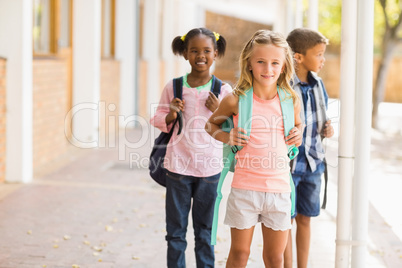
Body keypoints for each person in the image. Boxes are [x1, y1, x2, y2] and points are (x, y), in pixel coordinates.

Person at [205, 29, 302, 268]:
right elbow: (210, 125)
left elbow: (299, 125)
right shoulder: (236, 99)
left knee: (274, 258)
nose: (268, 69)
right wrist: (228, 136)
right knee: (239, 253)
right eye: (261, 62)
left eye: (274, 63)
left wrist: (298, 133)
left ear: (283, 66)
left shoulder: (290, 100)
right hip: (244, 190)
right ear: (249, 63)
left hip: (279, 191)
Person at [150, 27, 232, 268]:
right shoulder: (174, 87)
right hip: (178, 167)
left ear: (215, 53)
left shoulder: (223, 90)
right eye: (194, 50)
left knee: (205, 233)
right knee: (175, 233)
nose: (201, 55)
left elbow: (231, 130)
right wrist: (171, 114)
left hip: (209, 170)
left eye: (206, 50)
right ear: (185, 53)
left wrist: (219, 110)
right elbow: (157, 119)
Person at [284, 28, 334, 268]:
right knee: (286, 221)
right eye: (319, 54)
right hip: (289, 166)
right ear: (298, 57)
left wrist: (328, 129)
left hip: (314, 164)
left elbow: (322, 117)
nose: (323, 60)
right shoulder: (283, 86)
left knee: (306, 219)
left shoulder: (318, 84)